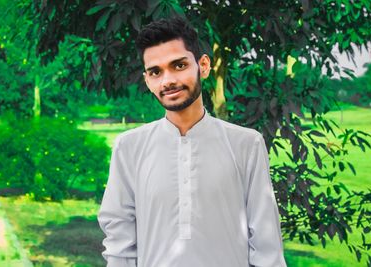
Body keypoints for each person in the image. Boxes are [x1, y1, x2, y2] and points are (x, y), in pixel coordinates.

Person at [98, 17, 287, 267]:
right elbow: (119, 241)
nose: (167, 81)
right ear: (147, 80)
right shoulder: (129, 147)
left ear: (204, 66)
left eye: (178, 65)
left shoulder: (246, 144)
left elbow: (266, 244)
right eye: (156, 71)